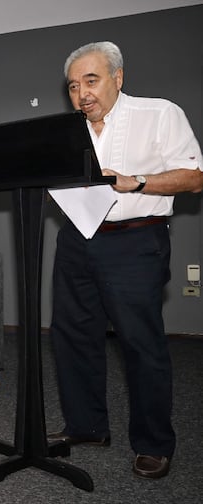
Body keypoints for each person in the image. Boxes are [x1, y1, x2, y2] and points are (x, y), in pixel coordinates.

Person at [47, 41, 203, 480]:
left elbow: (194, 176)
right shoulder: (68, 128)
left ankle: (154, 444)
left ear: (118, 77)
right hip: (77, 240)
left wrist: (136, 182)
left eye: (91, 81)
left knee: (141, 345)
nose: (82, 94)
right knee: (72, 336)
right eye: (74, 86)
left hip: (135, 242)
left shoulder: (160, 113)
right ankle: (87, 427)